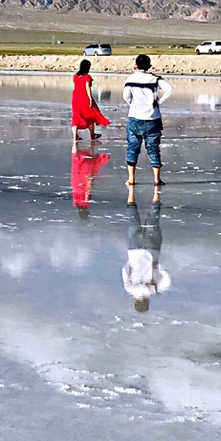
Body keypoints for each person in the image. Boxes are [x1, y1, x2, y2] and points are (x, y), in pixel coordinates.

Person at [122, 53, 167, 189]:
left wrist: (133, 104)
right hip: (153, 118)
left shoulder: (130, 78)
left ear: (136, 65)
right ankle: (157, 179)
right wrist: (159, 100)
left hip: (135, 117)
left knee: (133, 147)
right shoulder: (154, 79)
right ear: (149, 65)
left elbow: (125, 96)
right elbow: (169, 89)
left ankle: (131, 179)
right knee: (153, 149)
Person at [123, 188, 172, 311]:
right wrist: (130, 262)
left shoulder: (154, 289)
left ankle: (156, 192)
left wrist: (158, 266)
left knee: (153, 220)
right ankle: (131, 191)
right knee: (133, 221)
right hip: (134, 250)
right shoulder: (130, 288)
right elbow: (125, 270)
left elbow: (167, 280)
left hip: (152, 251)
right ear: (135, 301)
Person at [71, 58, 111, 144]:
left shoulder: (75, 76)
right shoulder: (87, 77)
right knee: (90, 115)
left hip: (75, 97)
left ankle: (75, 136)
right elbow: (87, 88)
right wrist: (90, 98)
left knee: (76, 116)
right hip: (84, 96)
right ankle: (92, 134)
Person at [70, 148, 109, 216]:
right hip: (76, 182)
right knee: (76, 161)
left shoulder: (84, 203)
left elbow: (87, 193)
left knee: (89, 163)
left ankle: (91, 143)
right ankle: (75, 142)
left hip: (83, 184)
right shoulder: (75, 203)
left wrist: (89, 182)